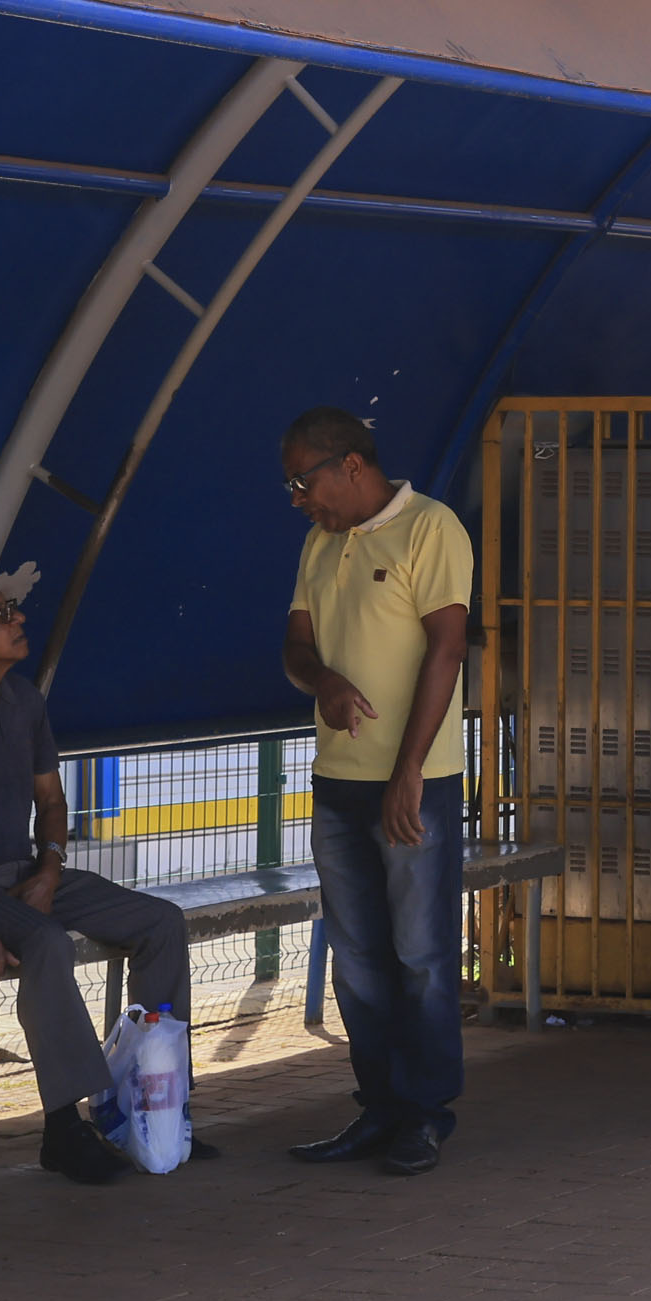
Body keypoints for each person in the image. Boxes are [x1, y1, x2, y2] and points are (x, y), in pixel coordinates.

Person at [0, 570, 206, 1185]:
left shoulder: (24, 698)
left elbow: (52, 802)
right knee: (46, 942)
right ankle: (63, 1128)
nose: (18, 619)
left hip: (25, 875)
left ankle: (157, 1103)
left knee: (161, 921)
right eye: (1, 612)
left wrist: (50, 869)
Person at [278, 407, 472, 1177]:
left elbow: (447, 648)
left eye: (304, 480)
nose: (299, 499)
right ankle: (380, 1107)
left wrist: (410, 771)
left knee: (421, 953)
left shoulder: (432, 528)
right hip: (338, 783)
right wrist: (319, 677)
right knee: (357, 958)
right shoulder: (319, 543)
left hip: (414, 782)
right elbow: (296, 644)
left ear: (352, 465)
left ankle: (426, 1114)